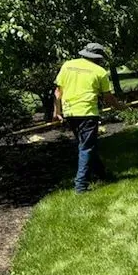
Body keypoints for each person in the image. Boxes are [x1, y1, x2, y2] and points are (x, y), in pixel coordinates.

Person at [54, 43, 119, 193]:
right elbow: (108, 97)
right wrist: (119, 106)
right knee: (86, 147)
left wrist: (57, 111)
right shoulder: (100, 71)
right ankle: (81, 186)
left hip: (70, 112)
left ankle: (102, 175)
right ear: (98, 58)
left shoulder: (68, 65)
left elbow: (58, 91)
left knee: (87, 145)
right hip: (87, 113)